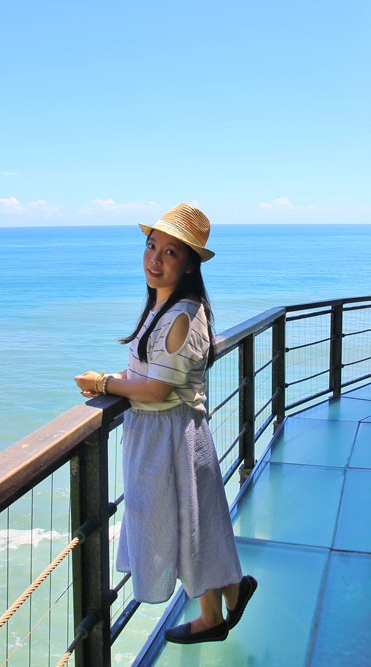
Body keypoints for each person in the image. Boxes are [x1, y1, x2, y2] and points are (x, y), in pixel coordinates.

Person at [74, 203, 257, 645]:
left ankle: (222, 604)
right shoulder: (166, 307)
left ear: (190, 263)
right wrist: (119, 381)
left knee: (184, 523)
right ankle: (226, 597)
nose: (155, 259)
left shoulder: (181, 315)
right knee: (191, 522)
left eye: (171, 252)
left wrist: (103, 382)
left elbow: (156, 391)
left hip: (170, 435)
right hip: (166, 432)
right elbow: (152, 373)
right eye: (151, 246)